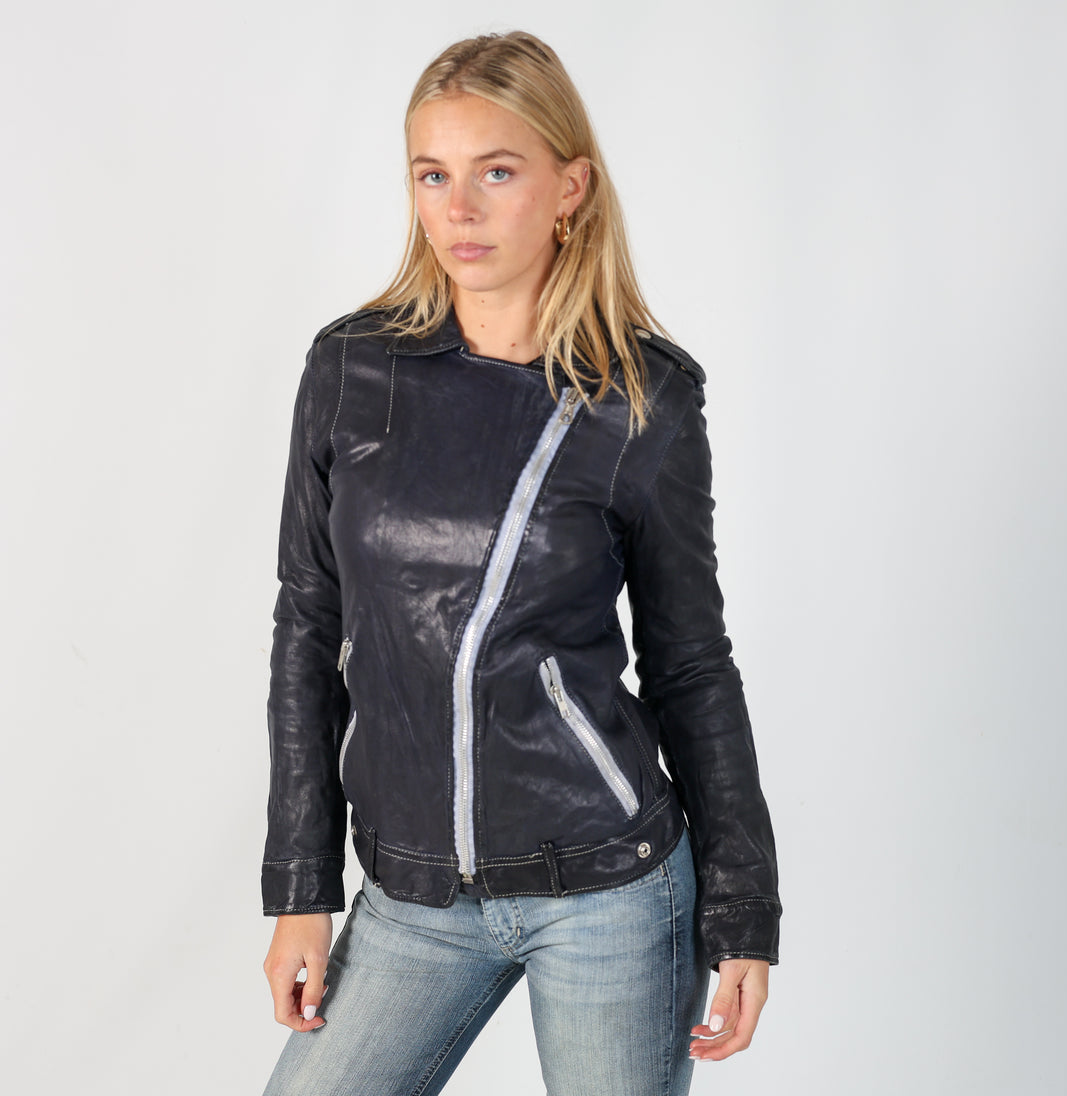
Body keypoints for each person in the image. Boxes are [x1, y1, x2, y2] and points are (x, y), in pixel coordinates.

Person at [261, 30, 780, 1096]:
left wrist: (743, 911)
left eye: (496, 172)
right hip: (410, 896)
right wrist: (301, 886)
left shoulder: (643, 399)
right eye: (433, 175)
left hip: (608, 890)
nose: (459, 208)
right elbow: (308, 626)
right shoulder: (351, 369)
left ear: (569, 189)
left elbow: (690, 662)